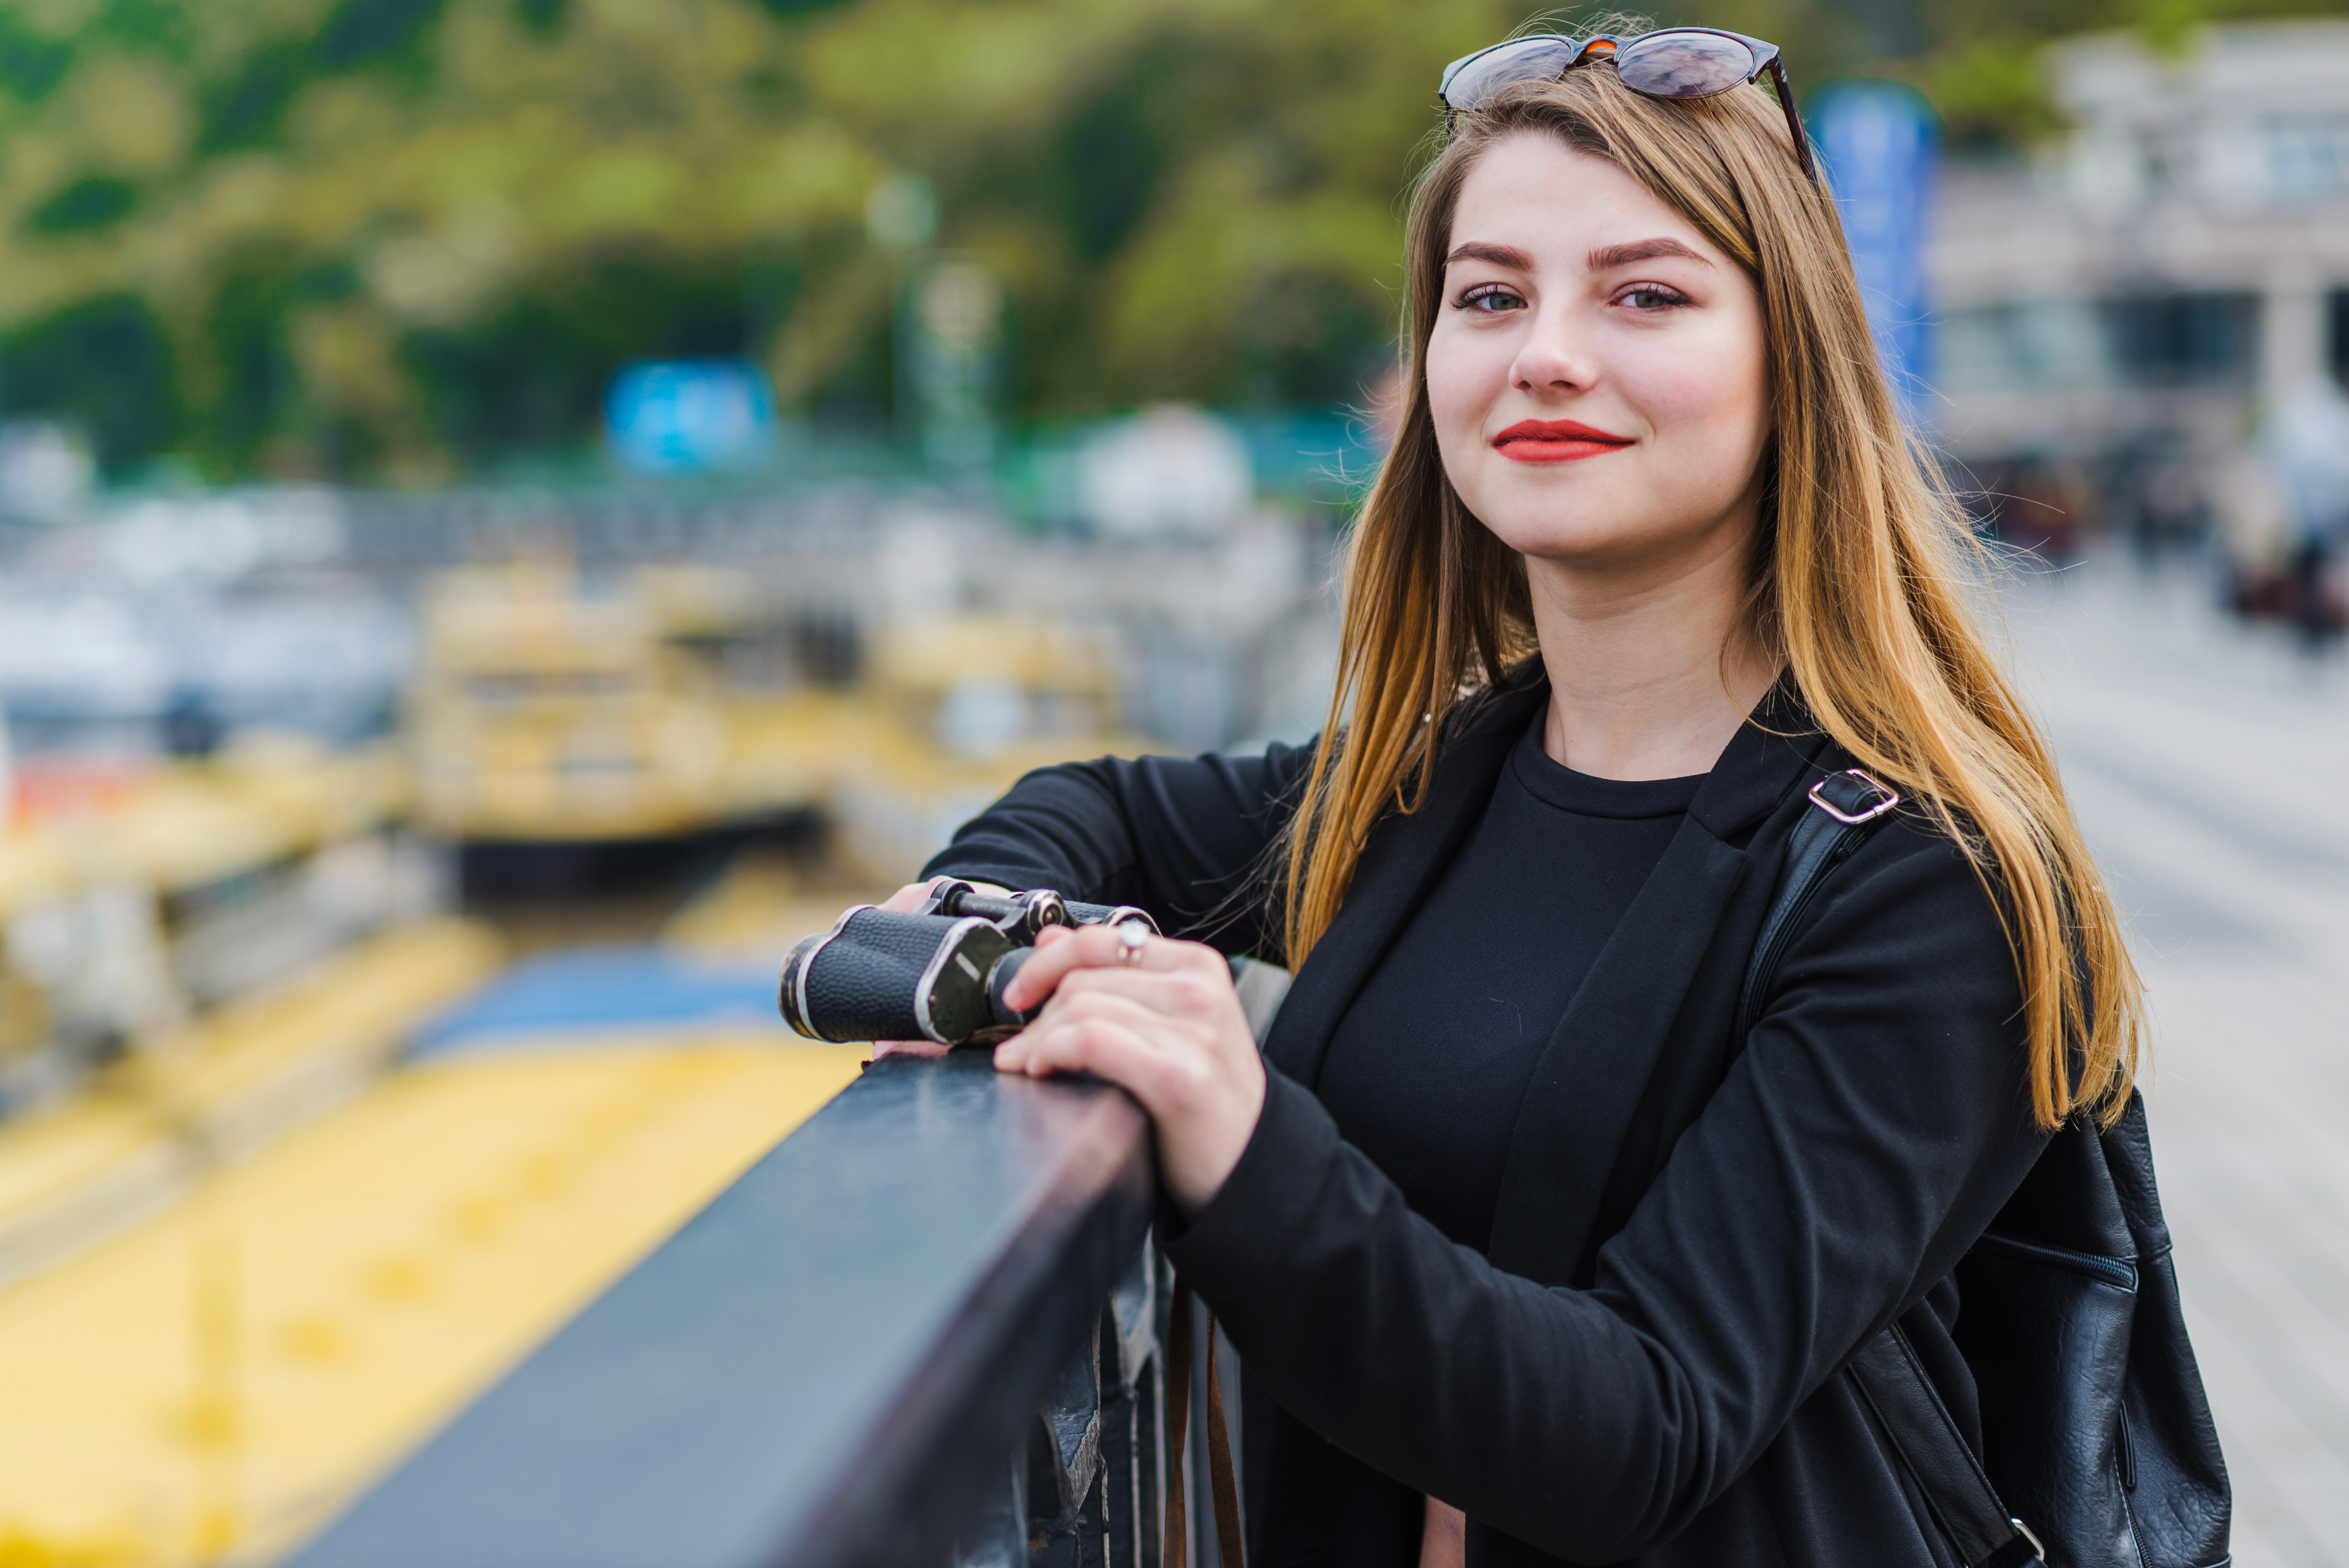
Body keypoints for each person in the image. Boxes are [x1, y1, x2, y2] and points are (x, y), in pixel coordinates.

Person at [867, 29, 2144, 1567]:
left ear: (1792, 355)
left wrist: (1240, 1127)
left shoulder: (1927, 877)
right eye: (1490, 296)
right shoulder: (1440, 780)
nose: (1545, 351)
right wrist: (983, 936)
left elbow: (1643, 1428)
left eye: (1645, 293)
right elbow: (1095, 807)